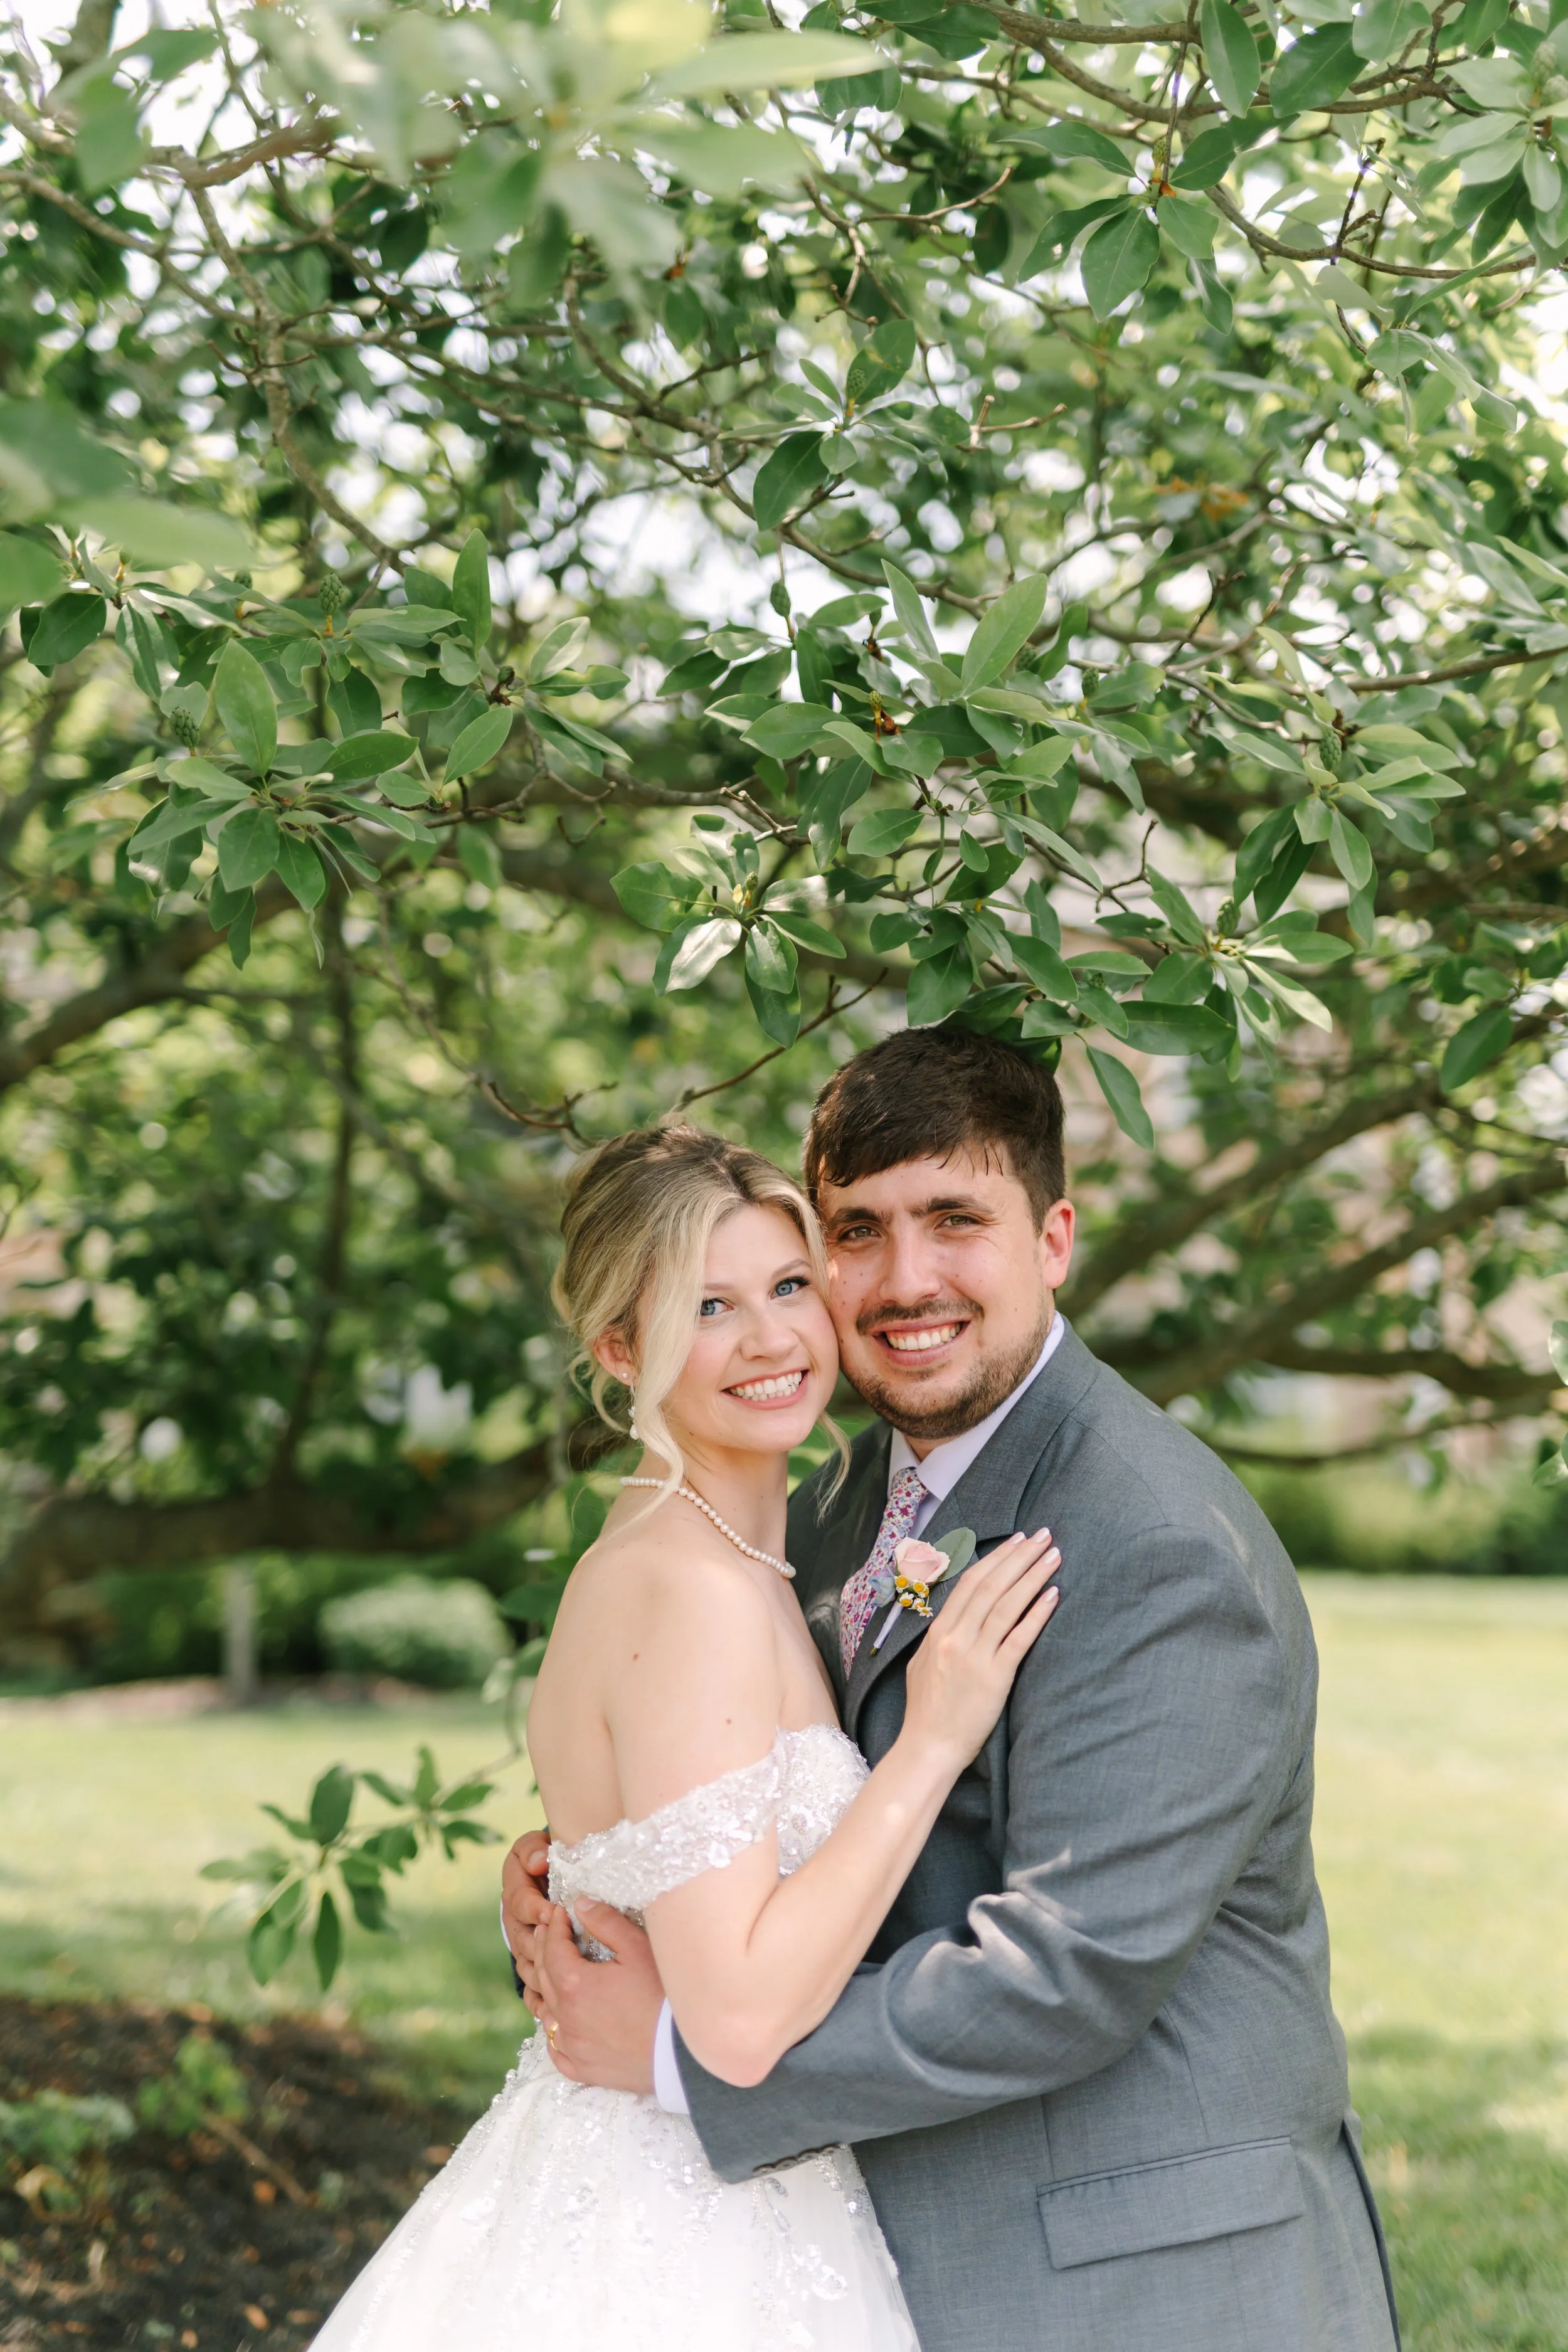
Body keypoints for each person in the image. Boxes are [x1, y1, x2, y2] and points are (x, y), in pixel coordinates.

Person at [507, 1025, 1403, 2352]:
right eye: (856, 1230)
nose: (902, 1278)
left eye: (952, 1219)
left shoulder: (1151, 1542)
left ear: (1050, 1241)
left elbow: (1062, 1972)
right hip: (876, 2253)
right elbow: (734, 1839)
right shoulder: (823, 1508)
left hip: (1137, 2284)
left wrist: (666, 2061)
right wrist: (597, 1886)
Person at [310, 1121, 1062, 2352]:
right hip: (677, 2229)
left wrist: (566, 1859)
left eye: (785, 1286)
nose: (770, 1339)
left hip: (725, 2185)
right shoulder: (691, 1590)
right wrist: (930, 1743)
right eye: (708, 1307)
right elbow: (739, 2018)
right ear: (620, 1347)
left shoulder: (742, 1555)